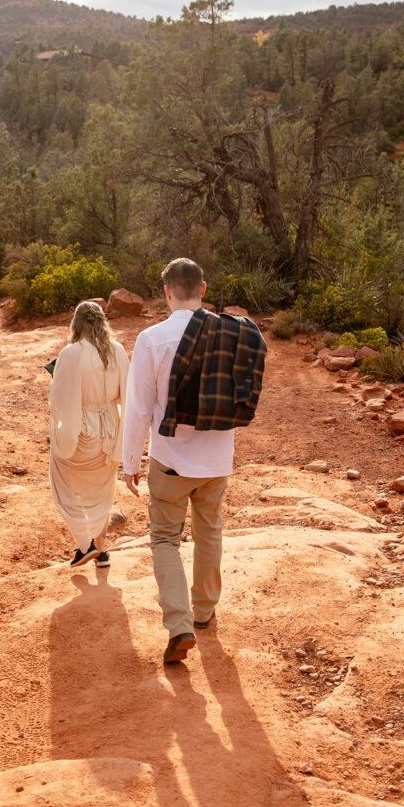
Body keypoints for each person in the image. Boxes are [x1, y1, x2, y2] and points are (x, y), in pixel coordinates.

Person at [123, 258, 265, 663]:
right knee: (210, 532)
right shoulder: (232, 333)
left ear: (167, 292)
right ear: (203, 289)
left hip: (170, 459)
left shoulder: (152, 338)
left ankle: (180, 625)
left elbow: (138, 407)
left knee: (165, 539)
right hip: (218, 457)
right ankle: (204, 612)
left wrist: (130, 460)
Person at [49, 301, 129, 567]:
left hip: (82, 430)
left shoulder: (71, 352)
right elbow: (125, 394)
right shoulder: (117, 351)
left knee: (67, 489)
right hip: (110, 431)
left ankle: (85, 544)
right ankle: (101, 551)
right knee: (102, 494)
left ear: (76, 323)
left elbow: (58, 400)